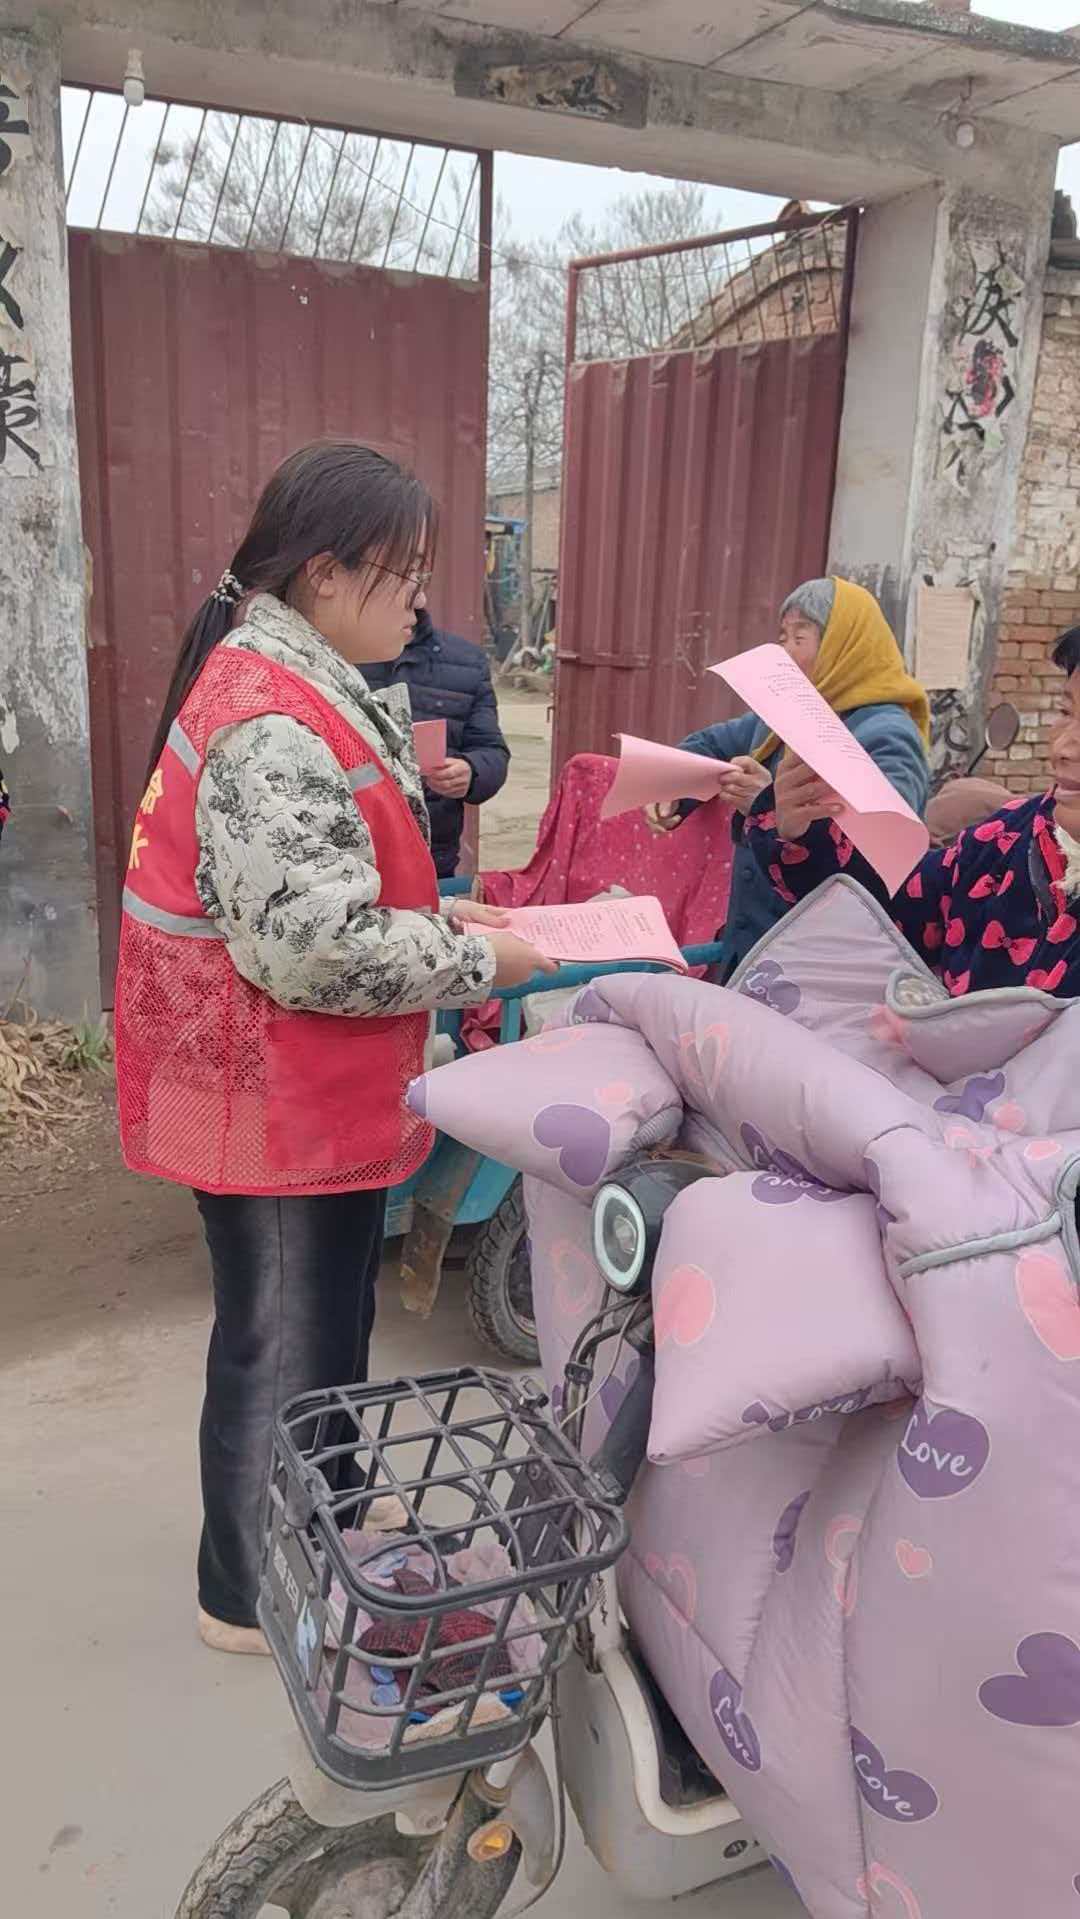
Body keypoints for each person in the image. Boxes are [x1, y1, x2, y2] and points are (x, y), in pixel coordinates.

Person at [113, 440, 554, 1655]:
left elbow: (325, 884)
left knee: (328, 1320)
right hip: (267, 1095)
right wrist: (481, 962)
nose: (418, 601)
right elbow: (313, 948)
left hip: (308, 1087)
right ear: (324, 573)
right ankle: (244, 1590)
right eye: (403, 574)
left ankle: (335, 1505)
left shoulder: (302, 681)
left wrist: (442, 913)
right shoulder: (266, 717)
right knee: (279, 1343)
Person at [751, 623, 1080, 998]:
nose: (1063, 748)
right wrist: (805, 834)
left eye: (801, 638)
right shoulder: (1008, 838)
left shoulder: (887, 730)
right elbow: (895, 907)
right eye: (1066, 711)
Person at [649, 577, 930, 977]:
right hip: (754, 942)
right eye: (782, 637)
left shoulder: (883, 733)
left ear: (843, 649)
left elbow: (889, 851)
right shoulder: (781, 718)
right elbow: (710, 744)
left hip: (821, 964)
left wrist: (767, 804)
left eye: (799, 638)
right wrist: (675, 788)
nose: (783, 651)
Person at [364, 604, 510, 879]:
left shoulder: (466, 662)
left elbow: (492, 750)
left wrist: (471, 771)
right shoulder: (332, 656)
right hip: (353, 855)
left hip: (432, 859)